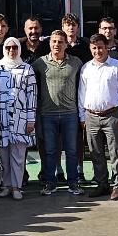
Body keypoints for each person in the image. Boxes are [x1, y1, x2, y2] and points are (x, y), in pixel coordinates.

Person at [79, 34, 118, 200]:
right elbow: (81, 94)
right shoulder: (86, 68)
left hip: (112, 115)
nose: (97, 51)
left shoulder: (117, 66)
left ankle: (117, 185)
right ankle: (101, 184)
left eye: (100, 47)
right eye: (94, 48)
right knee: (95, 152)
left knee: (115, 152)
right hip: (91, 116)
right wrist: (82, 116)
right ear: (90, 49)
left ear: (107, 47)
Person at [32, 29, 83, 195]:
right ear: (49, 43)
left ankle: (73, 183)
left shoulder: (76, 62)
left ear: (66, 44)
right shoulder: (40, 63)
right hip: (48, 114)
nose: (57, 44)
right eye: (54, 41)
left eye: (60, 42)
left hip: (70, 113)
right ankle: (50, 183)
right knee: (50, 151)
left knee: (72, 151)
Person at [0, 38, 37, 200]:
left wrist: (31, 119)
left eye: (15, 47)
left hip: (20, 119)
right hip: (0, 118)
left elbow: (32, 95)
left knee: (18, 155)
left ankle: (17, 187)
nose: (11, 50)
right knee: (3, 155)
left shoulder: (27, 69)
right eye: (8, 47)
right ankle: (6, 185)